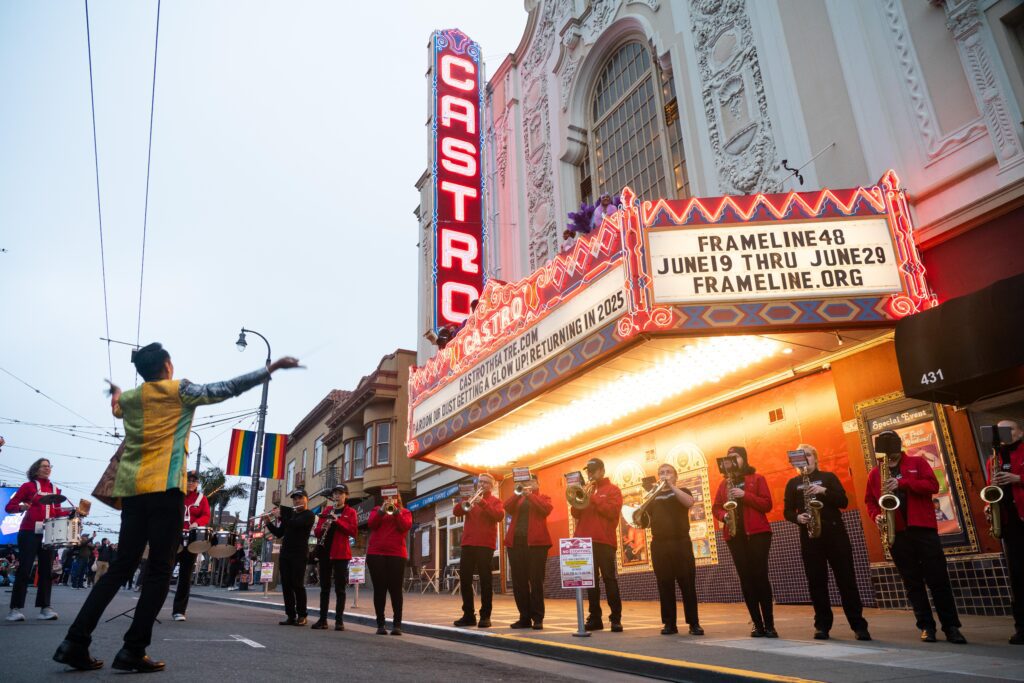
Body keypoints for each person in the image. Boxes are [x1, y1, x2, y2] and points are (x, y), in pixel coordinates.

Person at [53, 342, 301, 672]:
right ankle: (132, 649)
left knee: (120, 568)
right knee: (159, 569)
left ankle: (74, 641)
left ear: (142, 371)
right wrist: (269, 370)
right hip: (167, 489)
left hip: (132, 491)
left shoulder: (130, 398)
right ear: (167, 366)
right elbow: (225, 389)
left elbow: (116, 406)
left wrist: (115, 390)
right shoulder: (179, 390)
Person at [865, 430, 966, 644]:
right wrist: (877, 517)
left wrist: (903, 483)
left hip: (923, 529)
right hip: (897, 532)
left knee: (938, 580)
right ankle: (926, 627)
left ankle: (951, 627)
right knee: (912, 583)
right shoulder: (876, 473)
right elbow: (870, 502)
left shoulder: (917, 463)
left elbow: (933, 485)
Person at [783, 444, 870, 641]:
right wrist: (797, 518)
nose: (805, 459)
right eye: (800, 456)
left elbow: (843, 501)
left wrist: (823, 491)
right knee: (816, 583)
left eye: (808, 455)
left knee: (846, 581)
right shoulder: (792, 483)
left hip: (835, 534)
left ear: (815, 457)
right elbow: (787, 511)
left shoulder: (829, 477)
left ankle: (858, 626)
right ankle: (822, 626)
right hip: (810, 536)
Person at [5, 457, 79, 622]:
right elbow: (9, 507)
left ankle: (45, 608)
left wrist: (71, 512)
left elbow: (57, 511)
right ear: (36, 469)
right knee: (24, 569)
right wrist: (21, 507)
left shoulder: (55, 489)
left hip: (49, 534)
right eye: (44, 466)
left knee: (46, 571)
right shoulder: (28, 487)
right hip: (29, 532)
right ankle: (14, 609)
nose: (48, 469)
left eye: (49, 466)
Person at [713, 446, 776, 637]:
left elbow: (767, 504)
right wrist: (724, 517)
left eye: (736, 457)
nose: (732, 460)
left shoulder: (757, 479)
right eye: (729, 458)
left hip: (758, 535)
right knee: (746, 580)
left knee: (760, 578)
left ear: (744, 459)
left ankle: (770, 625)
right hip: (735, 536)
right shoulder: (724, 484)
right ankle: (757, 624)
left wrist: (744, 496)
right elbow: (716, 508)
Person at [646, 463, 703, 636]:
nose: (664, 475)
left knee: (687, 584)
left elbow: (689, 502)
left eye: (668, 472)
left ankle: (694, 623)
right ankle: (669, 623)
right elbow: (644, 520)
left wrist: (670, 486)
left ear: (675, 476)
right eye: (661, 473)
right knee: (664, 585)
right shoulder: (652, 497)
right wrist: (649, 495)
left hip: (680, 542)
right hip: (659, 544)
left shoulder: (683, 490)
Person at [572, 458, 624, 632]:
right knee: (590, 582)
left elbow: (611, 512)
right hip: (585, 543)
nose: (590, 474)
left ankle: (615, 618)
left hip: (604, 541)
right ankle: (595, 618)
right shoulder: (587, 490)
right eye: (588, 471)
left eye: (593, 471)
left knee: (609, 579)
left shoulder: (613, 490)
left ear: (602, 470)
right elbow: (575, 512)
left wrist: (593, 498)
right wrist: (578, 497)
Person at [986, 420, 1024, 644]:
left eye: (1008, 429)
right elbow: (991, 489)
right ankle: (1022, 628)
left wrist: (1018, 479)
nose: (1004, 434)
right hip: (1010, 524)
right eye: (999, 430)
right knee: (1018, 577)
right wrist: (990, 505)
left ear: (1020, 432)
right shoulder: (994, 459)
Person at [452, 473, 504, 628]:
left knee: (485, 581)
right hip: (468, 543)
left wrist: (483, 504)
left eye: (486, 483)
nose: (482, 484)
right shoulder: (471, 498)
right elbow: (456, 512)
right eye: (480, 481)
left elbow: (499, 516)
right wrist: (465, 502)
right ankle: (468, 615)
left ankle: (485, 616)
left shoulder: (495, 501)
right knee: (465, 580)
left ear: (492, 485)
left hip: (485, 545)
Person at [503, 474, 552, 630]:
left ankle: (538, 618)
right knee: (519, 583)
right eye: (525, 482)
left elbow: (545, 509)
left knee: (536, 581)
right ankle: (524, 617)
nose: (527, 484)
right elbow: (507, 506)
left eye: (531, 481)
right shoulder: (519, 498)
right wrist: (518, 493)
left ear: (537, 483)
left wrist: (530, 495)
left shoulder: (544, 497)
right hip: (516, 543)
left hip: (536, 544)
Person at [311, 484, 358, 631]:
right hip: (325, 552)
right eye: (335, 493)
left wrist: (338, 521)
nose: (337, 496)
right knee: (324, 588)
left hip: (341, 554)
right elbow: (317, 531)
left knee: (340, 589)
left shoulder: (350, 512)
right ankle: (323, 620)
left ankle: (339, 621)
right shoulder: (326, 510)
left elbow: (353, 531)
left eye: (340, 493)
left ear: (346, 496)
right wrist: (323, 527)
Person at [266, 489, 315, 627]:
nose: (297, 501)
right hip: (286, 554)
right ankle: (290, 615)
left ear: (307, 499)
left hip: (299, 553)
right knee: (286, 585)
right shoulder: (291, 516)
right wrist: (268, 522)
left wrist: (281, 517)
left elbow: (296, 525)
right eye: (295, 499)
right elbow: (279, 533)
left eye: (300, 498)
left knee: (297, 584)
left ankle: (302, 615)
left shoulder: (309, 515)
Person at [366, 490, 412, 635]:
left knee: (396, 590)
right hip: (376, 554)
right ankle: (381, 624)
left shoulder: (405, 512)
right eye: (388, 498)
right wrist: (381, 510)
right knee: (379, 590)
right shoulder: (376, 510)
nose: (392, 500)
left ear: (399, 498)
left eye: (395, 497)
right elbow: (371, 524)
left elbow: (405, 527)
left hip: (397, 554)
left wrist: (396, 512)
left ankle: (397, 624)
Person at [171, 471, 210, 621]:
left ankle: (179, 611)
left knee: (185, 576)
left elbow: (206, 515)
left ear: (197, 484)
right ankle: (152, 606)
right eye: (189, 480)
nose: (191, 483)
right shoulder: (176, 495)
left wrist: (197, 523)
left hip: (192, 540)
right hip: (175, 537)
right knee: (165, 571)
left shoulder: (202, 499)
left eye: (194, 481)